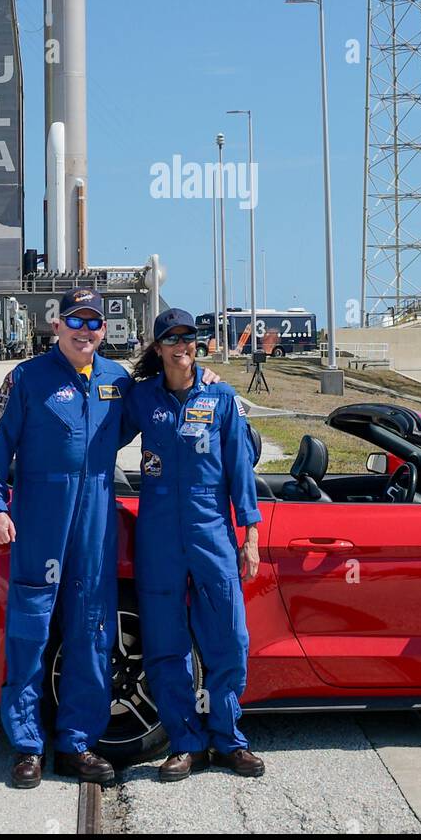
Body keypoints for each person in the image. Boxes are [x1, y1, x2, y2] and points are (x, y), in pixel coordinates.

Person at [0, 289, 135, 790]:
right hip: (40, 514)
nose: (84, 330)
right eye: (75, 321)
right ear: (57, 326)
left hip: (95, 514)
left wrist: (203, 380)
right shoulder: (25, 378)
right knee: (30, 628)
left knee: (92, 627)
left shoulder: (118, 380)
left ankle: (77, 743)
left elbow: (158, 408)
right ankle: (27, 746)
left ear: (104, 330)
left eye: (93, 323)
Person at [123, 307, 265, 782]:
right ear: (158, 347)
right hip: (159, 533)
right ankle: (185, 742)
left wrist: (250, 535)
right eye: (171, 339)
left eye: (188, 338)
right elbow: (97, 429)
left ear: (196, 344)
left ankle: (228, 739)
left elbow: (241, 472)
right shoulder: (142, 398)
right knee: (166, 643)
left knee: (229, 637)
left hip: (211, 531)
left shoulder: (222, 399)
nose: (182, 345)